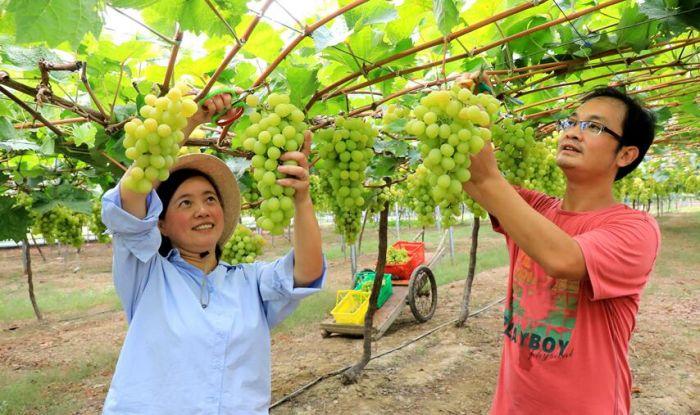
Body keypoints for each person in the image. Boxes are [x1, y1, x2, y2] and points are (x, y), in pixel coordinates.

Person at [100, 93, 325, 414]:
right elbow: (131, 197)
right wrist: (189, 120)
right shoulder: (147, 272)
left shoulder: (250, 282)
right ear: (160, 223)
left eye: (209, 199)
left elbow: (307, 272)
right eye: (185, 203)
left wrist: (302, 199)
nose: (202, 211)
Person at [462, 86, 661, 414]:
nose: (572, 132)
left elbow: (563, 259)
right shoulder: (534, 208)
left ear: (625, 154)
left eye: (593, 126)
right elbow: (472, 177)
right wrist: (466, 108)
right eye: (571, 122)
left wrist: (490, 179)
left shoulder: (636, 229)